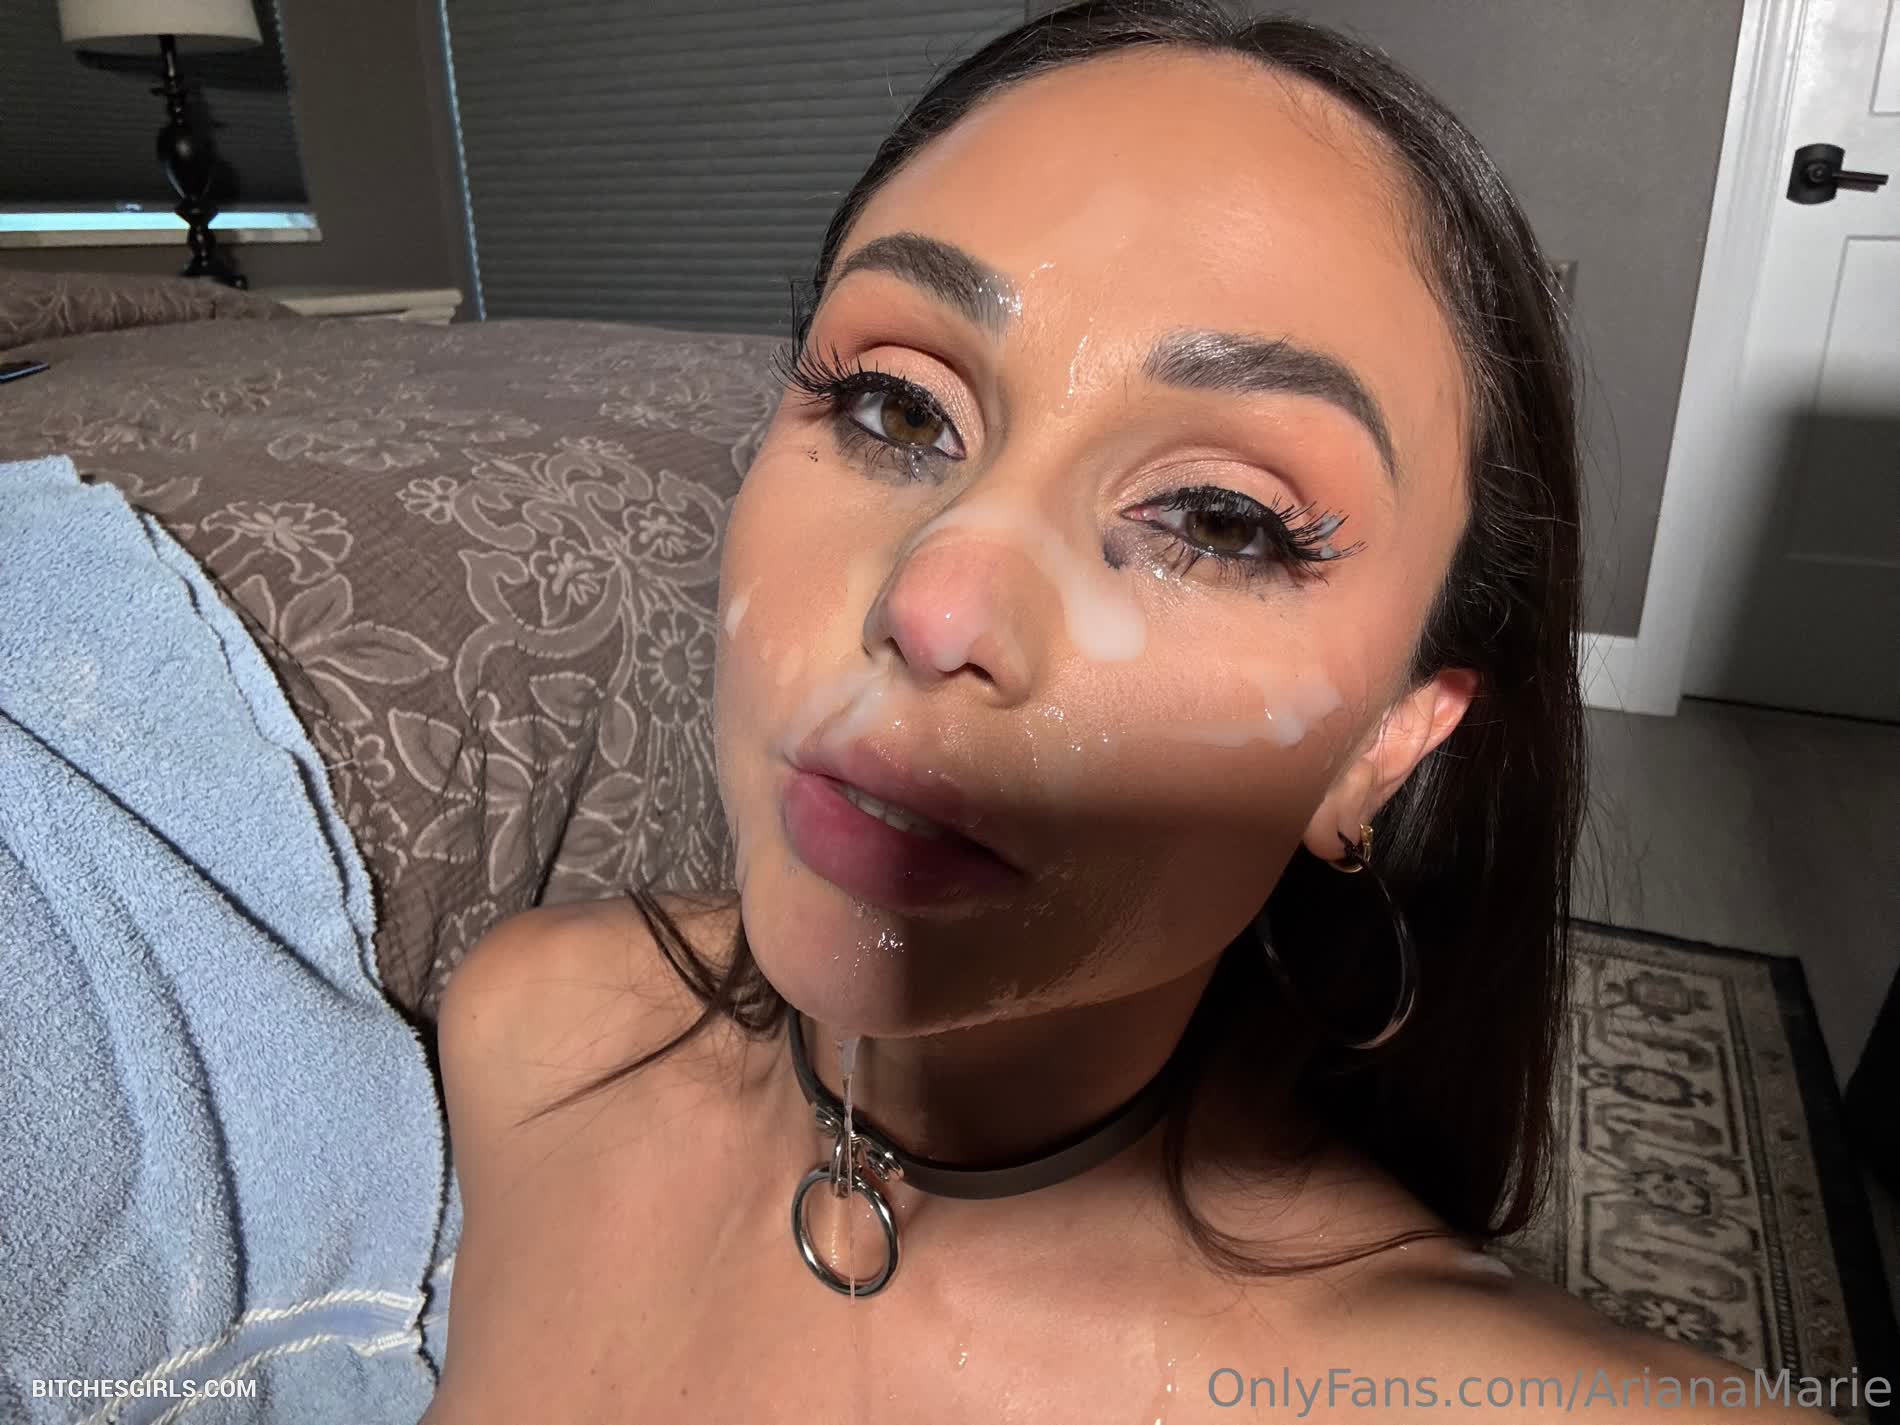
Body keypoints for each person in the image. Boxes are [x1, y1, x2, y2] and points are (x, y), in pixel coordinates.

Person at [419, 3, 1828, 1419]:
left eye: (1218, 519)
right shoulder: (530, 1033)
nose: (937, 607)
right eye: (898, 410)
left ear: (1387, 743)